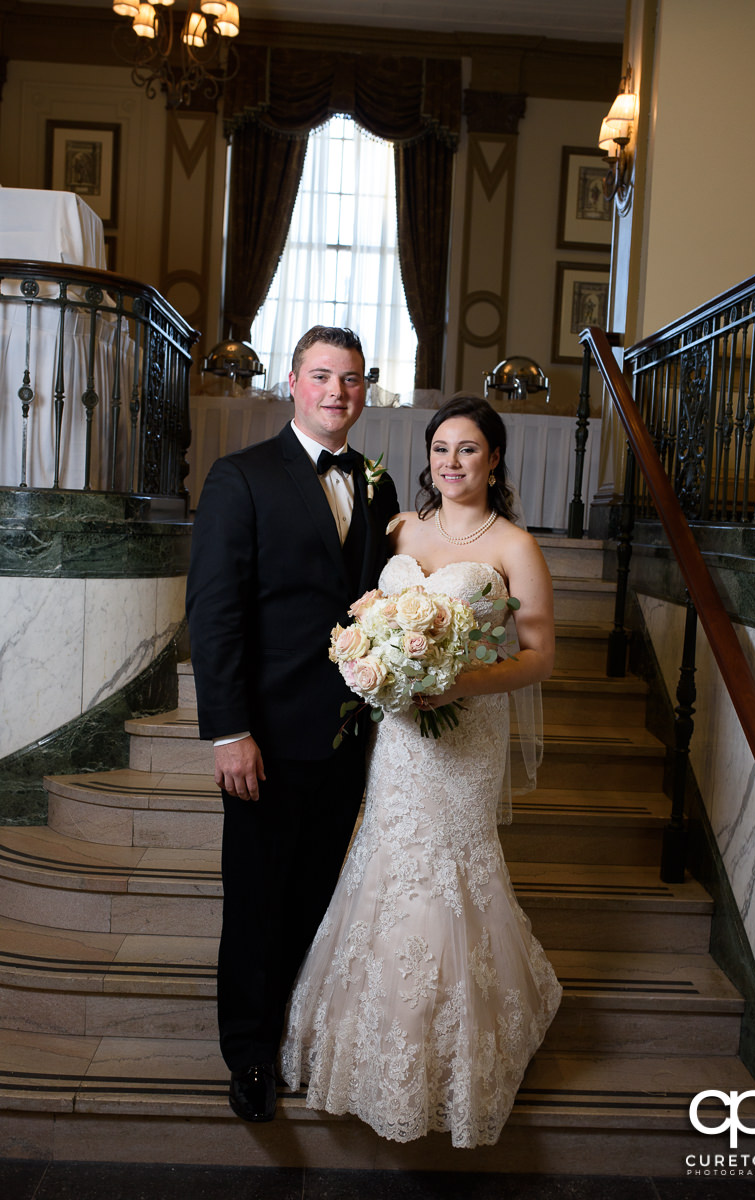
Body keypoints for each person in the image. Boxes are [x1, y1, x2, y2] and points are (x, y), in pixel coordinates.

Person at [280, 394, 563, 1148]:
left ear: (494, 459)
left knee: (447, 868)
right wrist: (375, 660)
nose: (451, 463)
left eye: (467, 449)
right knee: (388, 858)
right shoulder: (401, 527)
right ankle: (374, 1046)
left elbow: (539, 657)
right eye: (441, 449)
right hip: (404, 732)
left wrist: (462, 681)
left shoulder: (513, 545)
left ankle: (454, 1050)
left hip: (467, 731)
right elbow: (372, 611)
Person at [185, 325, 399, 1124]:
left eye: (350, 380)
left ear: (363, 391)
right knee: (256, 902)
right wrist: (228, 731)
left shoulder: (376, 487)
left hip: (349, 737)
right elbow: (214, 616)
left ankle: (295, 1037)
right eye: (321, 376)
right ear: (292, 383)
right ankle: (246, 1055)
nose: (337, 392)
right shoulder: (240, 477)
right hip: (266, 738)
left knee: (315, 895)